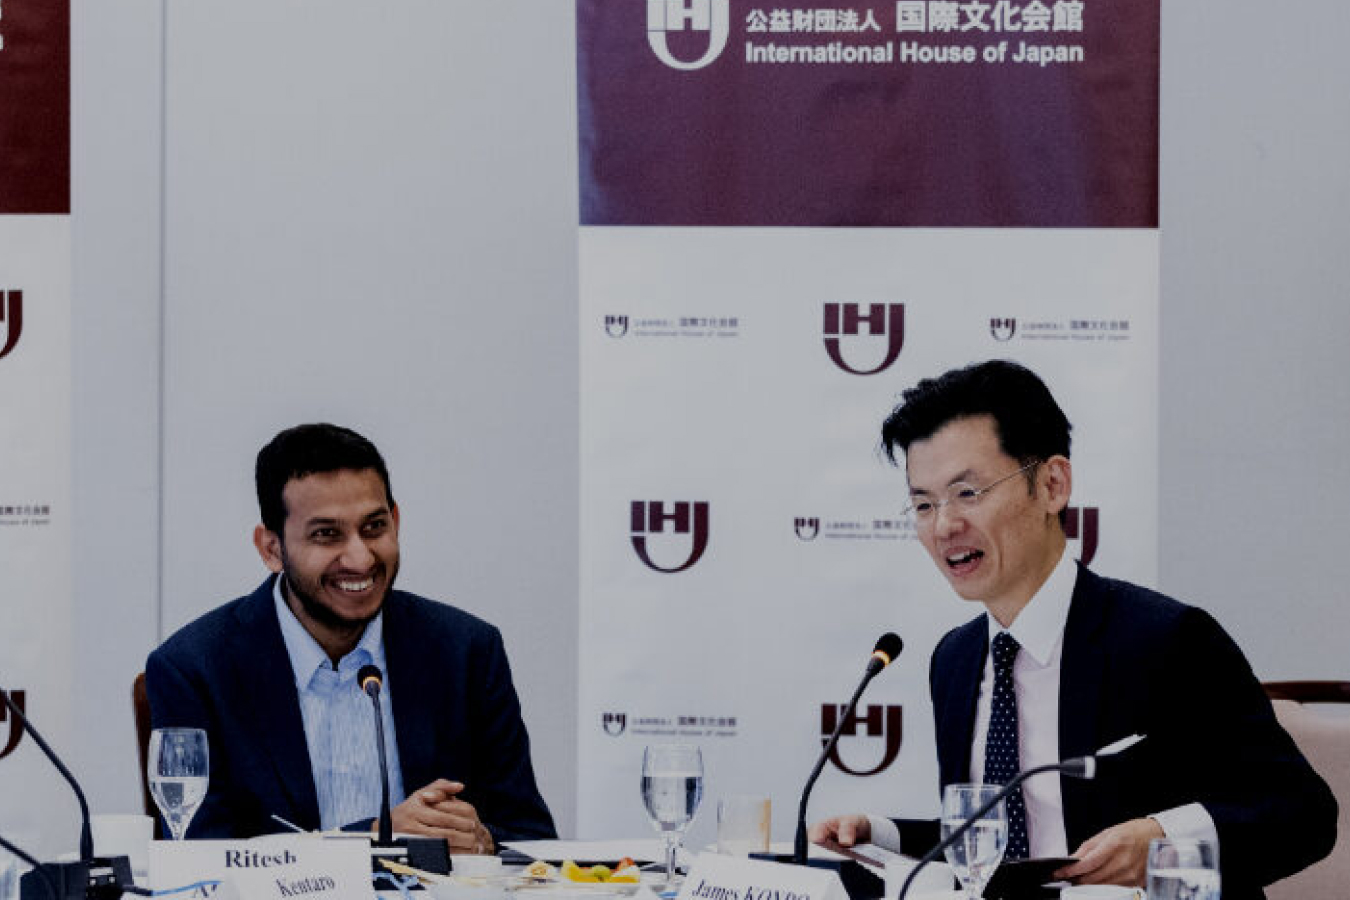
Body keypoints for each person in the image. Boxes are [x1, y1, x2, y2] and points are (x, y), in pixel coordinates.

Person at [809, 360, 1336, 899]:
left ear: (1052, 485)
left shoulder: (1166, 639)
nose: (944, 525)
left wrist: (1165, 839)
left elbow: (1303, 812)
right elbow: (1004, 850)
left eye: (968, 493)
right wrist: (884, 837)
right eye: (923, 504)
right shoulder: (955, 660)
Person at [147, 423, 556, 849]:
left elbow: (532, 839)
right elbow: (200, 855)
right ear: (271, 548)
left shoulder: (466, 652)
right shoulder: (195, 670)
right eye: (327, 534)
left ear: (396, 521)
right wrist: (375, 838)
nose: (360, 559)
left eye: (374, 527)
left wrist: (482, 840)